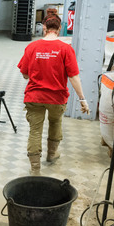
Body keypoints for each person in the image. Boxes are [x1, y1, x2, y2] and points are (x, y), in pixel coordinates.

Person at [17, 15, 89, 174]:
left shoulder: (32, 47)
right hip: (57, 98)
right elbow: (74, 77)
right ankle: (51, 154)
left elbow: (24, 74)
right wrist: (82, 99)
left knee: (35, 130)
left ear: (44, 28)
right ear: (59, 29)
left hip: (34, 97)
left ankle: (35, 168)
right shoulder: (66, 49)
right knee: (55, 123)